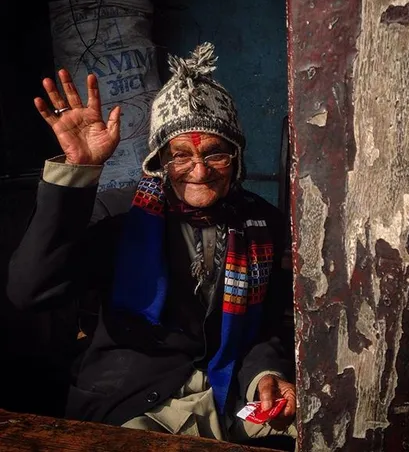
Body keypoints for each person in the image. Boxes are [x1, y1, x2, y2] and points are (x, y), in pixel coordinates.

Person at [6, 42, 296, 444]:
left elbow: (265, 327)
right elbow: (30, 290)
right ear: (159, 160)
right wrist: (78, 171)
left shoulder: (263, 223)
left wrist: (267, 375)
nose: (199, 171)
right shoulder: (122, 216)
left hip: (229, 393)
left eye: (216, 155)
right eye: (180, 155)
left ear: (238, 157)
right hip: (138, 402)